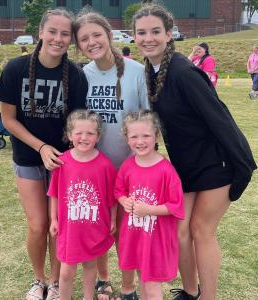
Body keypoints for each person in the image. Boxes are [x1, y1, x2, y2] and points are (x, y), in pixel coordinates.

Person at [132, 4, 257, 300]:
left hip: (217, 164)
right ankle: (189, 292)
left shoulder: (185, 72)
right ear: (134, 36)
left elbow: (221, 119)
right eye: (141, 32)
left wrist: (242, 168)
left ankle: (208, 297)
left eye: (155, 31)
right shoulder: (151, 70)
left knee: (201, 230)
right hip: (185, 168)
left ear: (169, 33)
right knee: (179, 232)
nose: (148, 38)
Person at [0, 8, 88, 300]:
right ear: (40, 32)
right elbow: (8, 120)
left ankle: (58, 282)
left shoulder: (75, 75)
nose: (58, 39)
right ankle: (39, 280)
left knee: (58, 227)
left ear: (70, 39)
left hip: (63, 163)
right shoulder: (15, 68)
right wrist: (41, 147)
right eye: (53, 32)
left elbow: (77, 122)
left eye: (65, 34)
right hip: (29, 158)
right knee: (37, 226)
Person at [73, 10, 149, 300]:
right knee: (98, 228)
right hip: (94, 169)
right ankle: (102, 280)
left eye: (96, 35)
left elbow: (147, 120)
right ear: (79, 45)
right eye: (84, 39)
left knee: (129, 232)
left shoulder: (135, 71)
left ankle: (132, 286)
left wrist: (144, 162)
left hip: (129, 168)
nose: (92, 42)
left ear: (108, 34)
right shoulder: (83, 74)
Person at [48, 109, 117, 300]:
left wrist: (112, 220)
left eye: (90, 133)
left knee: (90, 266)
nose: (84, 138)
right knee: (66, 272)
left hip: (94, 228)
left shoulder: (105, 165)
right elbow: (54, 193)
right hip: (69, 230)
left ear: (98, 136)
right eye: (79, 133)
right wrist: (53, 219)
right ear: (70, 135)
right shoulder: (62, 162)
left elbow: (112, 198)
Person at [115, 110, 184, 299]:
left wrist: (149, 210)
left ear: (157, 136)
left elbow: (176, 205)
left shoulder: (166, 170)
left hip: (156, 240)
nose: (140, 141)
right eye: (134, 136)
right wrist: (124, 201)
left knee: (152, 287)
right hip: (136, 236)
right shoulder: (127, 166)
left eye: (146, 135)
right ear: (127, 139)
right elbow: (119, 191)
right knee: (142, 279)